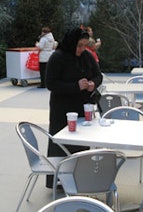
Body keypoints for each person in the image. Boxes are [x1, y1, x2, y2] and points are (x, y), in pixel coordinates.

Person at [45, 27, 103, 188]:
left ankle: (79, 177)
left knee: (81, 142)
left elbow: (98, 75)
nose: (81, 49)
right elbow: (51, 83)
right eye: (79, 46)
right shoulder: (58, 57)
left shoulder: (87, 56)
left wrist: (93, 84)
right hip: (62, 109)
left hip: (83, 107)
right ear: (71, 43)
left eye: (84, 45)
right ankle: (57, 179)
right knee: (60, 143)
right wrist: (75, 86)